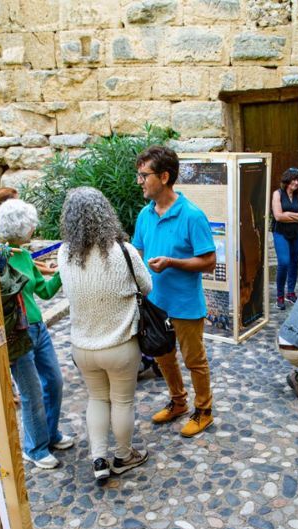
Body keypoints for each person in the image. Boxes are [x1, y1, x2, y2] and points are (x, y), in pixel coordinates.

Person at [58, 187, 151, 483]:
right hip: (120, 344)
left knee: (97, 399)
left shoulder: (64, 253)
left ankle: (99, 458)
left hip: (82, 346)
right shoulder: (123, 251)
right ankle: (123, 457)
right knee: (122, 401)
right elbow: (147, 286)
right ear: (105, 213)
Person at [132, 145, 216, 438]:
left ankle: (204, 411)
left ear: (164, 177)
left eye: (144, 175)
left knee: (195, 360)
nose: (140, 181)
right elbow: (137, 254)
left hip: (185, 304)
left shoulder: (192, 215)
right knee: (162, 356)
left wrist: (171, 262)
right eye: (139, 175)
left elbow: (209, 262)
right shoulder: (145, 215)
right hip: (155, 304)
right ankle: (178, 402)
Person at [0, 198, 73, 469]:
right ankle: (34, 448)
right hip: (17, 332)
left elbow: (46, 292)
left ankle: (49, 435)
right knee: (31, 392)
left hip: (38, 328)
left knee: (54, 381)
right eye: (31, 225)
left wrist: (64, 271)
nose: (34, 229)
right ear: (21, 228)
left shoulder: (25, 256)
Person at [271, 167, 298, 310]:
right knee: (284, 262)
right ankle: (280, 295)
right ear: (287, 179)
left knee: (294, 262)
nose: (296, 182)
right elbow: (278, 216)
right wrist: (294, 216)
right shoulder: (277, 194)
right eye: (294, 179)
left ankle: (291, 293)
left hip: (297, 233)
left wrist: (288, 213)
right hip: (281, 233)